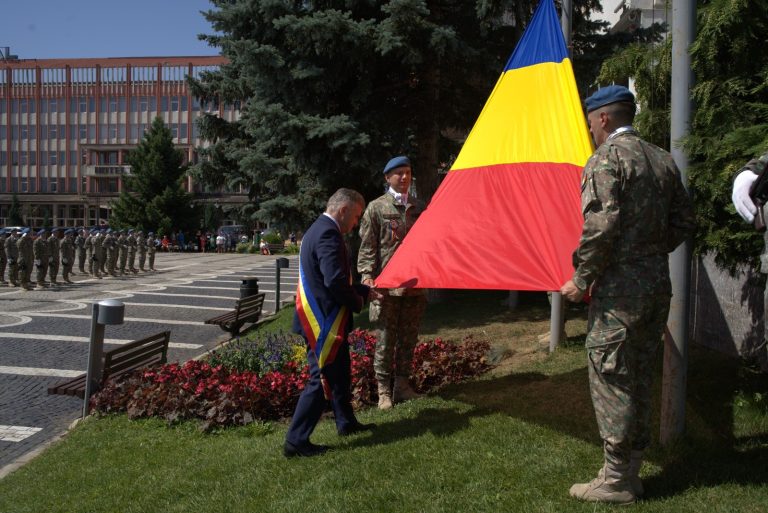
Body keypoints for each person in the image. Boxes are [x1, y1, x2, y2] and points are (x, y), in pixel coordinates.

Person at [559, 85, 696, 505]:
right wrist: (648, 253)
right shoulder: (662, 158)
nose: (590, 129)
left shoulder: (606, 160)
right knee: (637, 373)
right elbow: (684, 221)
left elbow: (601, 225)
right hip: (656, 284)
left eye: (590, 121)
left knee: (611, 373)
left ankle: (616, 479)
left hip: (620, 291)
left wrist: (582, 279)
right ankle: (629, 472)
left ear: (603, 118)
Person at [284, 188, 380, 458]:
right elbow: (335, 281)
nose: (356, 223)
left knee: (339, 374)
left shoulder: (317, 228)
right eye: (356, 216)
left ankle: (346, 422)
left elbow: (333, 279)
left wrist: (361, 290)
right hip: (322, 324)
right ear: (343, 210)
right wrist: (359, 299)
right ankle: (296, 440)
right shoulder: (328, 232)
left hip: (325, 318)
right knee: (321, 379)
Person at [357, 155, 427, 410]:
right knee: (385, 341)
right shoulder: (377, 208)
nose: (404, 177)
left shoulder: (419, 207)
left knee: (408, 339)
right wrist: (367, 276)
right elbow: (367, 246)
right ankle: (383, 391)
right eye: (399, 173)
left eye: (408, 172)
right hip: (387, 287)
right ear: (387, 177)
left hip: (415, 286)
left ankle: (403, 386)